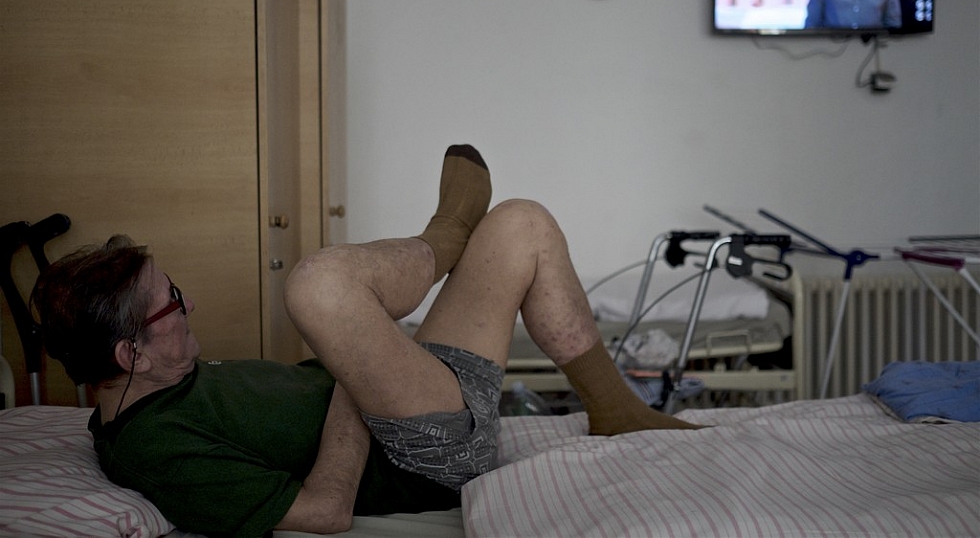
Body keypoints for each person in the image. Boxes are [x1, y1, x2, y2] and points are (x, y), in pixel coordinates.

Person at [33, 145, 699, 537]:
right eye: (172, 302)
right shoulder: (156, 451)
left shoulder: (158, 383)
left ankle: (614, 408)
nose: (190, 305)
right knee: (318, 287)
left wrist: (361, 362)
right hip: (427, 453)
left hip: (407, 397)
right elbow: (325, 513)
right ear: (131, 355)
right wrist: (354, 376)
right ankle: (444, 235)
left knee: (523, 222)